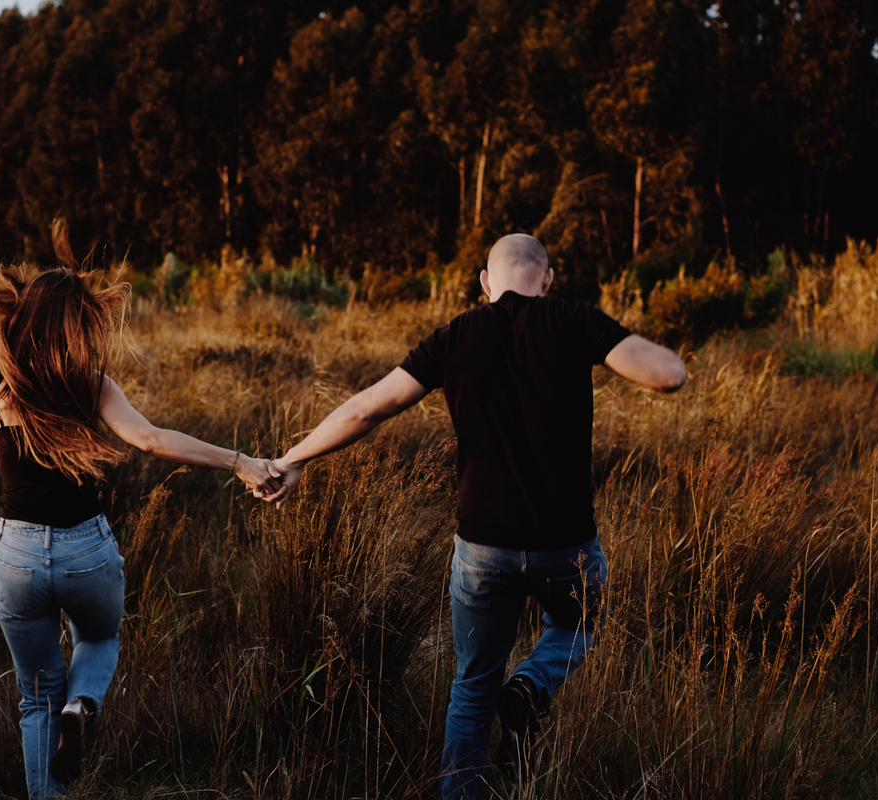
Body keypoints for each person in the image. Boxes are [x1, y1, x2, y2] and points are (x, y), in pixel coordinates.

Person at [256, 233, 687, 798]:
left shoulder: (454, 336)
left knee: (473, 686)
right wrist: (611, 339)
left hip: (483, 548)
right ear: (547, 278)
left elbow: (366, 409)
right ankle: (533, 683)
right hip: (565, 545)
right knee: (582, 620)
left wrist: (291, 459)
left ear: (485, 282)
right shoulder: (573, 320)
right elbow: (668, 375)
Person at [0, 221, 280, 800]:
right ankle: (82, 705)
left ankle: (55, 740)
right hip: (84, 551)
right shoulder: (92, 385)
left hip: (18, 555)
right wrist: (240, 461)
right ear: (73, 325)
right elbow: (150, 440)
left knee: (34, 698)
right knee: (99, 641)